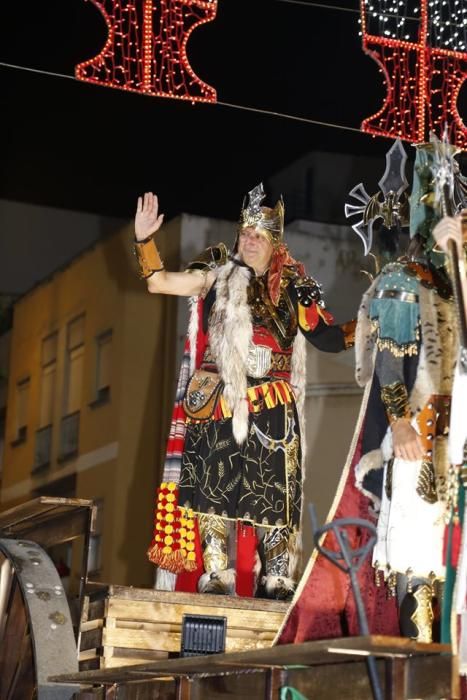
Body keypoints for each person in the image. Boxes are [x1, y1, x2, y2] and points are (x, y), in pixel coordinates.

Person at [276, 140, 462, 644]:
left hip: (462, 442)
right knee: (420, 555)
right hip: (420, 437)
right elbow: (390, 359)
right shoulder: (406, 278)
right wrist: (400, 422)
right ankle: (419, 666)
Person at [136, 185, 355, 599]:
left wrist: (370, 321)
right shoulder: (217, 274)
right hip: (220, 398)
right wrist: (145, 240)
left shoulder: (294, 286)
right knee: (212, 488)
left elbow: (327, 337)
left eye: (260, 235)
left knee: (274, 493)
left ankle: (275, 578)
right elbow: (160, 283)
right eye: (246, 233)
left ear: (275, 242)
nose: (250, 240)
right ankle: (215, 573)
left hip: (273, 404)